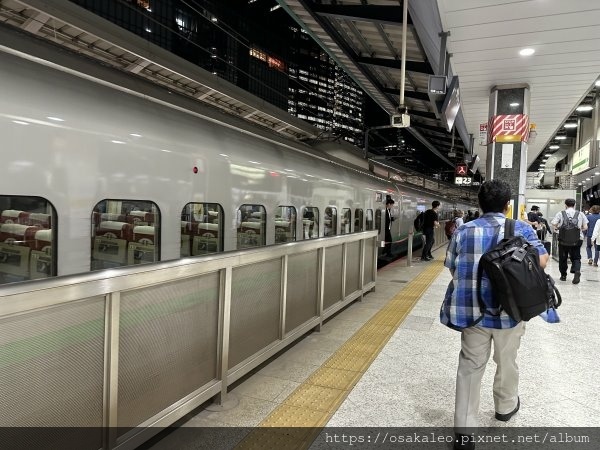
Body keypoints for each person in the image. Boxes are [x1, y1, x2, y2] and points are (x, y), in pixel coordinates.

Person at [441, 179, 549, 450]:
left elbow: (452, 267)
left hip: (473, 312)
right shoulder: (522, 228)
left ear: (479, 204)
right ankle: (505, 406)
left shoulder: (463, 230)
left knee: (470, 366)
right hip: (510, 312)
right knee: (507, 361)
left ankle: (465, 433)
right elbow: (542, 261)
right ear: (508, 205)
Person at [551, 198, 588, 284]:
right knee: (576, 257)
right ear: (574, 205)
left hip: (563, 240)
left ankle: (563, 275)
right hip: (577, 239)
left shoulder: (561, 213)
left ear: (565, 205)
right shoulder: (580, 214)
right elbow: (585, 227)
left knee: (563, 257)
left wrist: (557, 229)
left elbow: (554, 224)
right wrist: (579, 229)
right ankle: (576, 270)